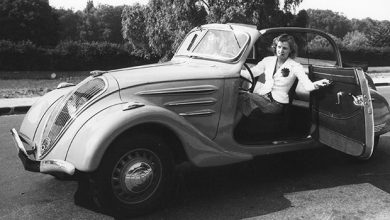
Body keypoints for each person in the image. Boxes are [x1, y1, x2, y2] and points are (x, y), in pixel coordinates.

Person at [239, 34, 330, 116]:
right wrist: (235, 71)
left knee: (243, 97)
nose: (281, 50)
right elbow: (250, 73)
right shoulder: (267, 60)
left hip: (276, 104)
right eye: (279, 47)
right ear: (275, 47)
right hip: (261, 97)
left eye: (285, 48)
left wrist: (318, 83)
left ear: (290, 50)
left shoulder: (295, 66)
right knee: (239, 97)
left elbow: (308, 86)